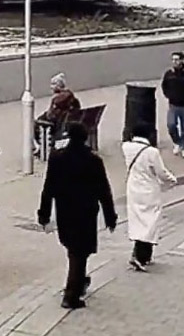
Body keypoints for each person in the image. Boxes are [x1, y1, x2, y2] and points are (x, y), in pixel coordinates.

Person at [37, 121, 117, 310]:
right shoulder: (93, 161)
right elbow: (103, 191)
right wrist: (110, 216)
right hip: (85, 213)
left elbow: (48, 188)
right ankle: (71, 294)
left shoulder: (57, 158)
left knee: (75, 250)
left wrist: (44, 214)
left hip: (65, 211)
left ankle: (79, 280)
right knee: (79, 252)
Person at [122, 122, 177, 272]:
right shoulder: (151, 152)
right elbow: (161, 172)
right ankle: (141, 255)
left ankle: (140, 253)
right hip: (149, 190)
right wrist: (172, 180)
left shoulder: (126, 147)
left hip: (133, 189)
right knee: (150, 222)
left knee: (138, 220)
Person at [34, 73, 81, 155]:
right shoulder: (72, 97)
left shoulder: (57, 99)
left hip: (57, 125)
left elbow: (51, 116)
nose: (51, 87)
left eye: (53, 84)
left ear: (59, 86)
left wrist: (43, 117)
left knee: (35, 124)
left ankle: (40, 147)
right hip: (66, 123)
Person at [161, 51, 184, 156]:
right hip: (173, 104)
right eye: (173, 59)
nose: (174, 61)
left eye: (176, 59)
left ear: (181, 61)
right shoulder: (169, 74)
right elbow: (164, 86)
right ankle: (177, 142)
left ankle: (183, 145)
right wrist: (168, 95)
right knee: (171, 125)